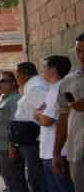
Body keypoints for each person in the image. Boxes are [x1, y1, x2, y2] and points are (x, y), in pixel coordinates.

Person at [35, 55, 74, 192]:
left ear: (53, 70)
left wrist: (40, 114)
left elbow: (46, 120)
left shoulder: (60, 89)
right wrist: (40, 114)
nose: (42, 71)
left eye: (44, 67)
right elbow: (39, 113)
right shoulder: (51, 90)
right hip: (49, 151)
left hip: (57, 152)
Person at [0, 71, 28, 192]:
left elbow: (15, 124)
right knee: (9, 179)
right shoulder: (4, 99)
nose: (0, 84)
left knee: (15, 180)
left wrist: (13, 145)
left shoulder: (15, 99)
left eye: (3, 81)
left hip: (7, 148)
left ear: (13, 83)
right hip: (0, 147)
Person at [54, 32, 84, 192]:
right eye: (79, 51)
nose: (82, 55)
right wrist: (57, 153)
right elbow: (63, 118)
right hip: (78, 152)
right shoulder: (68, 81)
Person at [12, 62, 48, 192]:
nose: (17, 79)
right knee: (34, 175)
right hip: (28, 137)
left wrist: (37, 115)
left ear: (23, 74)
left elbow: (46, 108)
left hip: (33, 138)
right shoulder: (32, 85)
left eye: (17, 76)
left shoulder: (35, 87)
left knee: (36, 177)